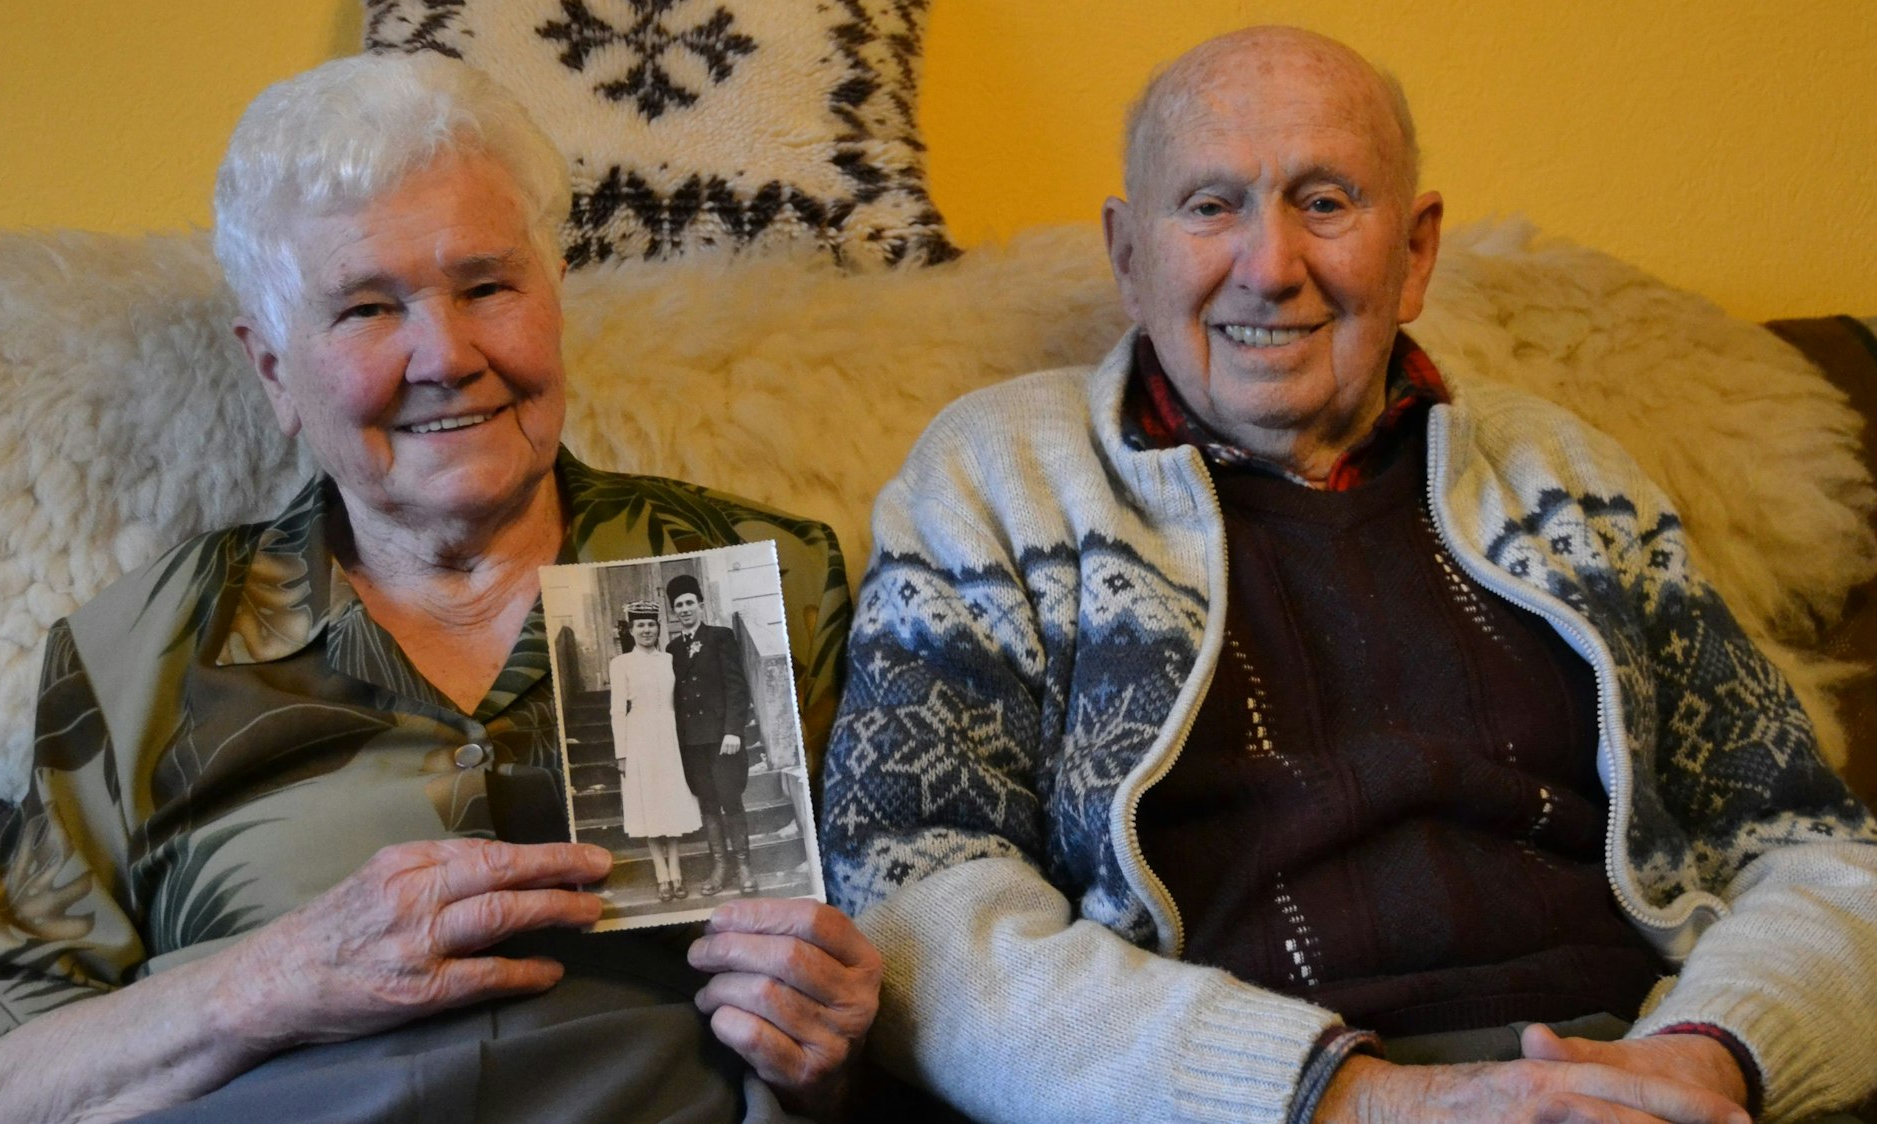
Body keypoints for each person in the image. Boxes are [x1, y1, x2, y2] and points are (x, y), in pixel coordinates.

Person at [820, 25, 1877, 1124]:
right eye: (1209, 206)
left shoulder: (1568, 478)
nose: (1270, 268)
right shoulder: (999, 478)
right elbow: (915, 905)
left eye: (1325, 202)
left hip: (1633, 1072)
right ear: (1129, 257)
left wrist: (1709, 1055)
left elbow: (1814, 851)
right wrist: (1357, 1099)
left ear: (1414, 252)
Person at [0, 54, 878, 1124]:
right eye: (369, 309)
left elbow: (870, 996)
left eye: (486, 286)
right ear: (276, 372)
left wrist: (828, 1047)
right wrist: (270, 982)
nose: (445, 354)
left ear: (550, 300)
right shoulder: (142, 652)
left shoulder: (754, 577)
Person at [667, 573, 759, 896]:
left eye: (690, 602)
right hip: (693, 743)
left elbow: (737, 687)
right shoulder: (672, 649)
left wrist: (734, 730)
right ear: (674, 611)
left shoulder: (720, 637)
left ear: (700, 604)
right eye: (679, 605)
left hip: (723, 739)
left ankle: (744, 866)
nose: (685, 609)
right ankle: (720, 867)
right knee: (708, 803)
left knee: (730, 798)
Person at [610, 600, 702, 903]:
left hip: (670, 736)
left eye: (651, 624)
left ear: (657, 628)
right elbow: (616, 711)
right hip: (638, 737)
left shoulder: (669, 659)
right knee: (648, 802)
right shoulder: (621, 663)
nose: (647, 630)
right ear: (632, 630)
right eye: (641, 625)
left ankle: (676, 870)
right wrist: (621, 753)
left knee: (672, 800)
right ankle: (661, 874)